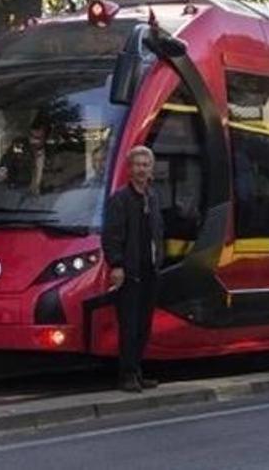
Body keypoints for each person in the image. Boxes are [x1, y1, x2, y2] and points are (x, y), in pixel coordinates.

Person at [102, 145, 165, 393]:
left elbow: (158, 231)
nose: (141, 169)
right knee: (129, 325)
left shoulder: (153, 197)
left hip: (150, 270)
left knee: (143, 326)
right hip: (129, 272)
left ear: (151, 169)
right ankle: (127, 375)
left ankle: (137, 371)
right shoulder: (120, 199)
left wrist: (159, 260)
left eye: (146, 165)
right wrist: (116, 264)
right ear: (129, 169)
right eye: (137, 165)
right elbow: (111, 236)